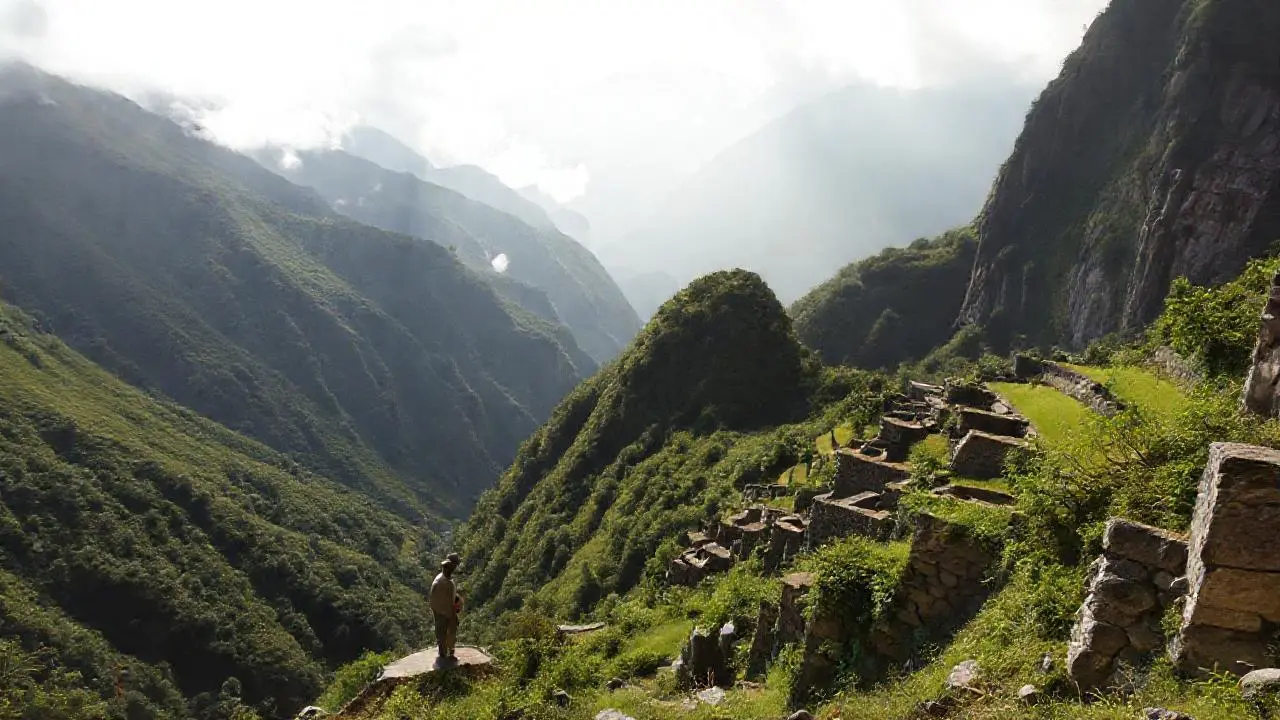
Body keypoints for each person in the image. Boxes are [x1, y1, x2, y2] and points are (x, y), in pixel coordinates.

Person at [429, 553, 462, 659]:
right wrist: (444, 614)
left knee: (451, 634)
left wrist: (454, 611)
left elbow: (450, 598)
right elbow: (436, 603)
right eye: (453, 566)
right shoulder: (440, 583)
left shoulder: (448, 580)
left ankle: (450, 655)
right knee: (442, 636)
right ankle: (443, 660)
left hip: (448, 612)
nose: (454, 568)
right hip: (442, 613)